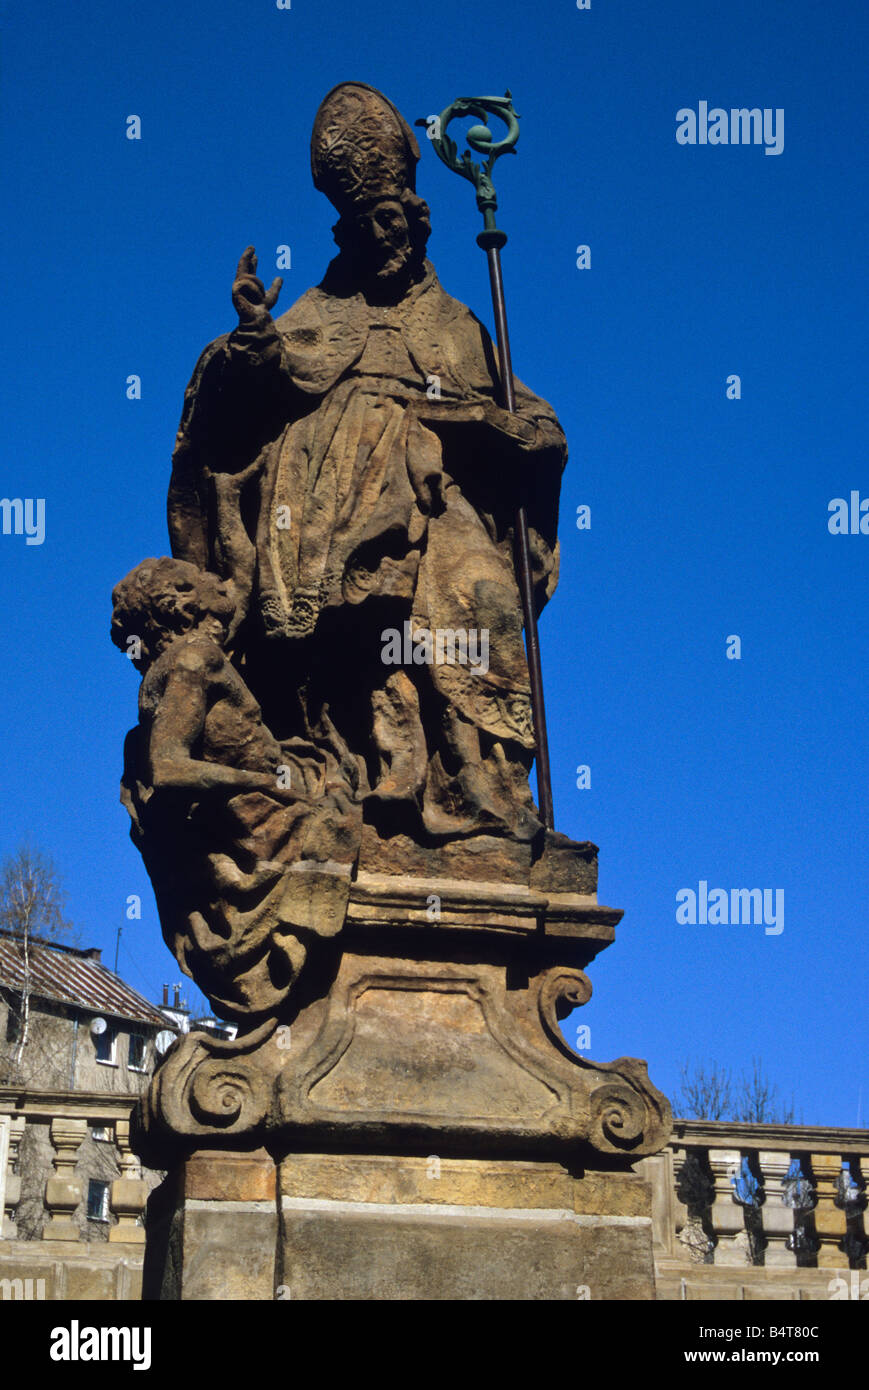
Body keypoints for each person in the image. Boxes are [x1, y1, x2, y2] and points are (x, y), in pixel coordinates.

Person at [167, 82, 567, 845]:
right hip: (330, 500)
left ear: (417, 225)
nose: (382, 237)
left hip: (434, 489)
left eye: (393, 222)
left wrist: (529, 434)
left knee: (484, 597)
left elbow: (530, 414)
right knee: (371, 620)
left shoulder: (453, 322)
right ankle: (393, 772)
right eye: (365, 224)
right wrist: (251, 335)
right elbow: (254, 383)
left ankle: (488, 794)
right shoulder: (319, 311)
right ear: (347, 231)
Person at [111, 556, 361, 1020]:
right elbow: (168, 767)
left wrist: (228, 493)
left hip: (264, 805)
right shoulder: (193, 659)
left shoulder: (168, 670)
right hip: (268, 818)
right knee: (354, 806)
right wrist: (263, 781)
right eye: (203, 577)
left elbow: (243, 577)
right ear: (182, 600)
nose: (219, 581)